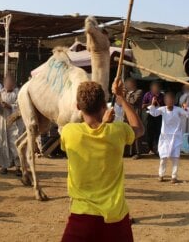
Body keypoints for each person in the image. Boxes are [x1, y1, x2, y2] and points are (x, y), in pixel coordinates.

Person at [60, 79, 144, 242]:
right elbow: (139, 128)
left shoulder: (69, 132)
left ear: (78, 106)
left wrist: (104, 125)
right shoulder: (118, 131)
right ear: (104, 105)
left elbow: (91, 133)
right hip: (116, 220)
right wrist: (121, 98)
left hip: (81, 220)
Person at [149, 92, 189, 183]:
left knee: (175, 158)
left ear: (174, 100)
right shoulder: (162, 109)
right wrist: (153, 103)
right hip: (165, 138)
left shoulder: (178, 110)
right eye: (167, 99)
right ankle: (161, 175)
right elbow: (153, 113)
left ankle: (174, 177)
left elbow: (188, 115)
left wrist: (186, 108)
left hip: (176, 137)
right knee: (163, 158)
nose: (169, 101)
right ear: (165, 101)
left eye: (171, 99)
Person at [0, 75, 23, 175]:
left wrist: (10, 106)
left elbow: (21, 106)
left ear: (13, 83)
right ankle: (4, 166)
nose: (8, 84)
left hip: (14, 122)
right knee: (1, 143)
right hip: (1, 122)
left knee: (15, 144)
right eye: (6, 82)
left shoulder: (18, 93)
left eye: (10, 82)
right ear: (4, 83)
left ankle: (18, 167)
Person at [142, 81, 164, 154]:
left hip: (159, 117)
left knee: (159, 133)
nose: (155, 89)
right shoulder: (147, 95)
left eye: (157, 87)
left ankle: (158, 149)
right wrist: (151, 104)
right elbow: (142, 106)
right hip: (149, 117)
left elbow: (165, 107)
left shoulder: (162, 96)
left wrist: (157, 103)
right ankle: (150, 149)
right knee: (149, 133)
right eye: (154, 87)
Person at [125, 78, 142, 159]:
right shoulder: (127, 93)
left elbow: (133, 101)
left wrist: (126, 97)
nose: (127, 85)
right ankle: (130, 152)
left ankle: (138, 153)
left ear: (133, 84)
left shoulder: (139, 92)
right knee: (129, 133)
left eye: (128, 84)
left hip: (136, 115)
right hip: (128, 115)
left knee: (137, 134)